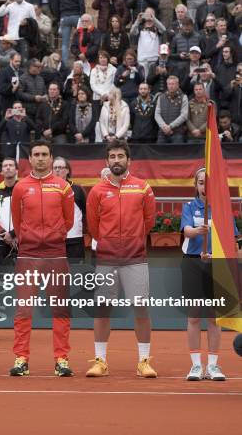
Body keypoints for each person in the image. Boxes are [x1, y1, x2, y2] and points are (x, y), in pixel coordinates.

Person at [86, 140, 157, 378]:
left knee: (141, 308)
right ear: (107, 161)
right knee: (103, 310)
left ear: (129, 160)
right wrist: (109, 243)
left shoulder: (143, 188)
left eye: (120, 156)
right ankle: (100, 361)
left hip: (135, 258)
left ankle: (144, 362)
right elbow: (94, 227)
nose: (116, 160)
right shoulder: (97, 191)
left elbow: (149, 221)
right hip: (106, 259)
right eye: (112, 156)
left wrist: (132, 240)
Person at [9, 141, 74, 377]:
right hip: (28, 254)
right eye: (35, 154)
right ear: (30, 159)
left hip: (56, 253)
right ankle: (21, 358)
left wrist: (54, 236)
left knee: (60, 309)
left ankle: (61, 359)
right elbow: (17, 220)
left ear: (51, 157)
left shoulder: (63, 187)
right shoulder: (20, 187)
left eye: (44, 155)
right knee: (24, 309)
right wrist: (29, 237)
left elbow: (68, 221)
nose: (40, 159)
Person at [181, 168, 231, 381]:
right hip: (193, 263)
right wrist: (197, 231)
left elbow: (231, 239)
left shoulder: (222, 209)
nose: (204, 186)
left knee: (214, 318)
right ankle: (195, 366)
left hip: (216, 266)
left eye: (208, 183)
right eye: (201, 183)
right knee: (194, 317)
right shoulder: (189, 207)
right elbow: (187, 231)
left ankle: (212, 366)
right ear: (196, 186)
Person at [53, 156, 86, 263]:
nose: (57, 170)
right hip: (53, 241)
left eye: (60, 167)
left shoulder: (78, 189)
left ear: (67, 170)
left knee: (75, 274)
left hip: (74, 240)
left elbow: (86, 213)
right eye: (55, 168)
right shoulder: (46, 189)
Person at [0, 158, 18, 262]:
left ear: (17, 170)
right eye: (5, 166)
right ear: (1, 171)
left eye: (11, 165)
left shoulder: (24, 189)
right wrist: (4, 234)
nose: (8, 167)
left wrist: (13, 234)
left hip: (19, 240)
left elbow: (29, 216)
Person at [155, 76, 189, 144]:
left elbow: (184, 115)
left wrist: (170, 126)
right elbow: (157, 114)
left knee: (177, 154)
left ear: (178, 85)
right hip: (162, 133)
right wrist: (164, 126)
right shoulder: (160, 97)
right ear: (167, 85)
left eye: (173, 84)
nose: (171, 86)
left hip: (177, 133)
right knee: (159, 154)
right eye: (169, 84)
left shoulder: (184, 97)